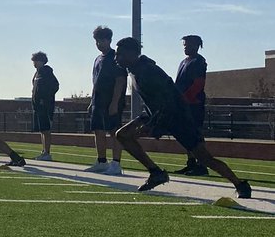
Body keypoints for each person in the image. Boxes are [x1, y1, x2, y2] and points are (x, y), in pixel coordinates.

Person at [113, 37, 250, 198]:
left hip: (177, 117)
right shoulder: (134, 70)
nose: (116, 58)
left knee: (204, 158)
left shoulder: (148, 71)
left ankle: (240, 184)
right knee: (122, 135)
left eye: (119, 54)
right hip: (155, 114)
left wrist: (152, 125)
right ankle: (156, 172)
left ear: (131, 53)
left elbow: (169, 100)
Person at [86, 25, 127, 175]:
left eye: (101, 40)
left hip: (111, 101)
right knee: (98, 130)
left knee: (114, 131)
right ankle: (101, 161)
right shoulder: (97, 59)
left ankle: (116, 164)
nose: (99, 44)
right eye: (96, 41)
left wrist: (115, 103)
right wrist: (92, 100)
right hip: (98, 101)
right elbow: (95, 81)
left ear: (109, 40)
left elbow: (120, 80)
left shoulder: (115, 57)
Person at [173, 34, 208, 175]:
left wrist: (187, 98)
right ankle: (191, 162)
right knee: (186, 134)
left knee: (196, 134)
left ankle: (202, 164)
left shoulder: (199, 62)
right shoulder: (183, 62)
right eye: (184, 45)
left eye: (188, 45)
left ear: (196, 46)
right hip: (183, 103)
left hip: (194, 104)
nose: (185, 47)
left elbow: (198, 83)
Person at [31, 51, 59, 160]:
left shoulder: (47, 71)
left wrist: (45, 99)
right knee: (41, 129)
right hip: (37, 105)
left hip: (45, 105)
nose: (34, 63)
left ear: (42, 61)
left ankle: (47, 153)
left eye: (36, 61)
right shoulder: (37, 73)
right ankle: (43, 151)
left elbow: (55, 86)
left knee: (46, 129)